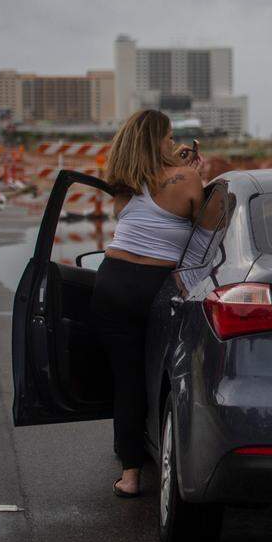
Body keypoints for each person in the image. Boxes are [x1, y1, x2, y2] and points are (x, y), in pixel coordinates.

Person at [94, 110, 204, 498]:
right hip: (155, 287)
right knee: (164, 375)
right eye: (169, 137)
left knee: (127, 380)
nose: (173, 143)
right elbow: (202, 238)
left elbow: (143, 209)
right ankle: (171, 459)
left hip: (111, 280)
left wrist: (177, 166)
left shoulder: (124, 186)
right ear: (157, 140)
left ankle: (130, 473)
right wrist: (194, 173)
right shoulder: (187, 179)